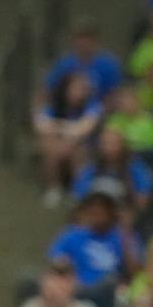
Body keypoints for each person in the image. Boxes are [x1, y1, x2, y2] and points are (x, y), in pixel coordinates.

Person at [34, 72, 102, 209]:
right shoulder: (55, 105)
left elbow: (83, 128)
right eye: (76, 88)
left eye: (83, 89)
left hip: (84, 148)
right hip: (58, 146)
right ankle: (54, 188)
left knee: (74, 147)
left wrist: (59, 127)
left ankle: (77, 192)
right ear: (66, 88)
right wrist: (66, 130)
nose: (80, 93)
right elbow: (41, 124)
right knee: (48, 145)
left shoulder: (92, 105)